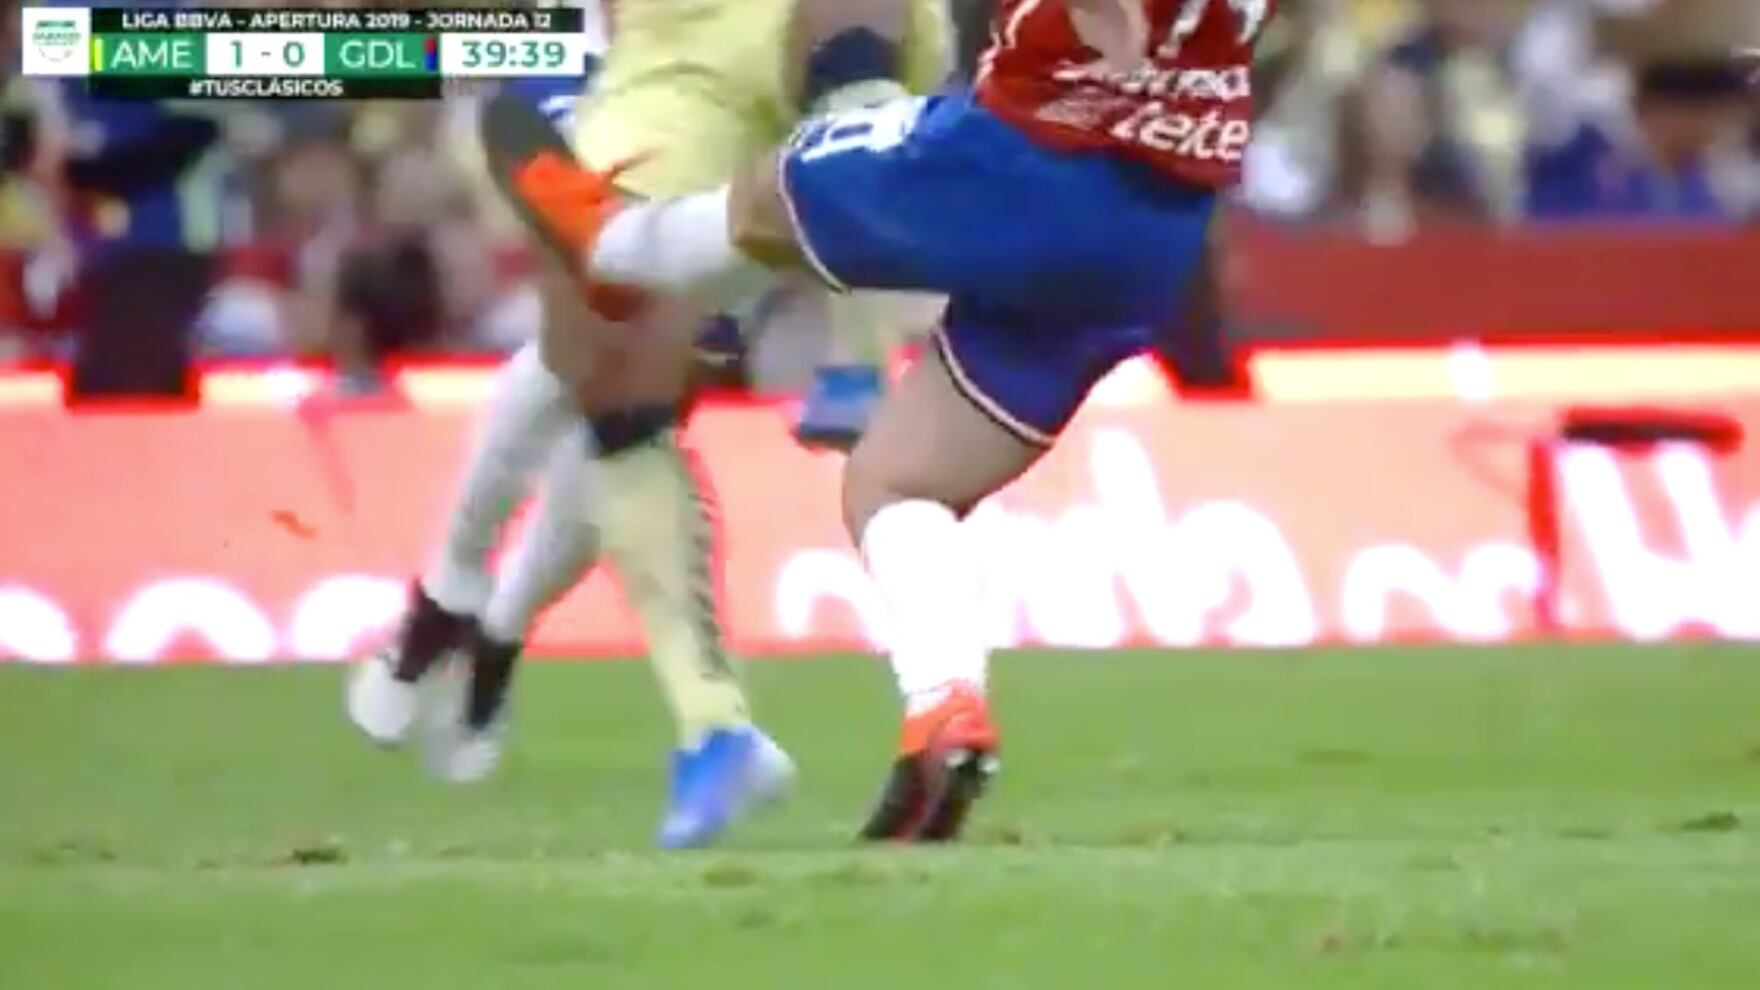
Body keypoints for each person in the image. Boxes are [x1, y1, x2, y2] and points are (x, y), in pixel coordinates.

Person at [483, 0, 1274, 841]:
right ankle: (943, 711)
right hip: (1148, 231)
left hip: (1021, 161)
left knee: (774, 187)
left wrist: (1109, 27)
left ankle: (617, 247)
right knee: (896, 483)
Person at [349, 0, 950, 849]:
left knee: (604, 367)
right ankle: (488, 623)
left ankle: (464, 609)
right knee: (608, 378)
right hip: (689, 82)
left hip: (684, 68)